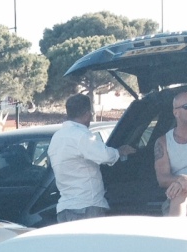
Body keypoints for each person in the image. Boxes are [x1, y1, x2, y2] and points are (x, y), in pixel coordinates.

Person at [49, 93, 136, 223]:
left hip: (65, 208)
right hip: (86, 206)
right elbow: (105, 155)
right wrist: (120, 151)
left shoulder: (57, 137)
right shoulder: (81, 135)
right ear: (87, 114)